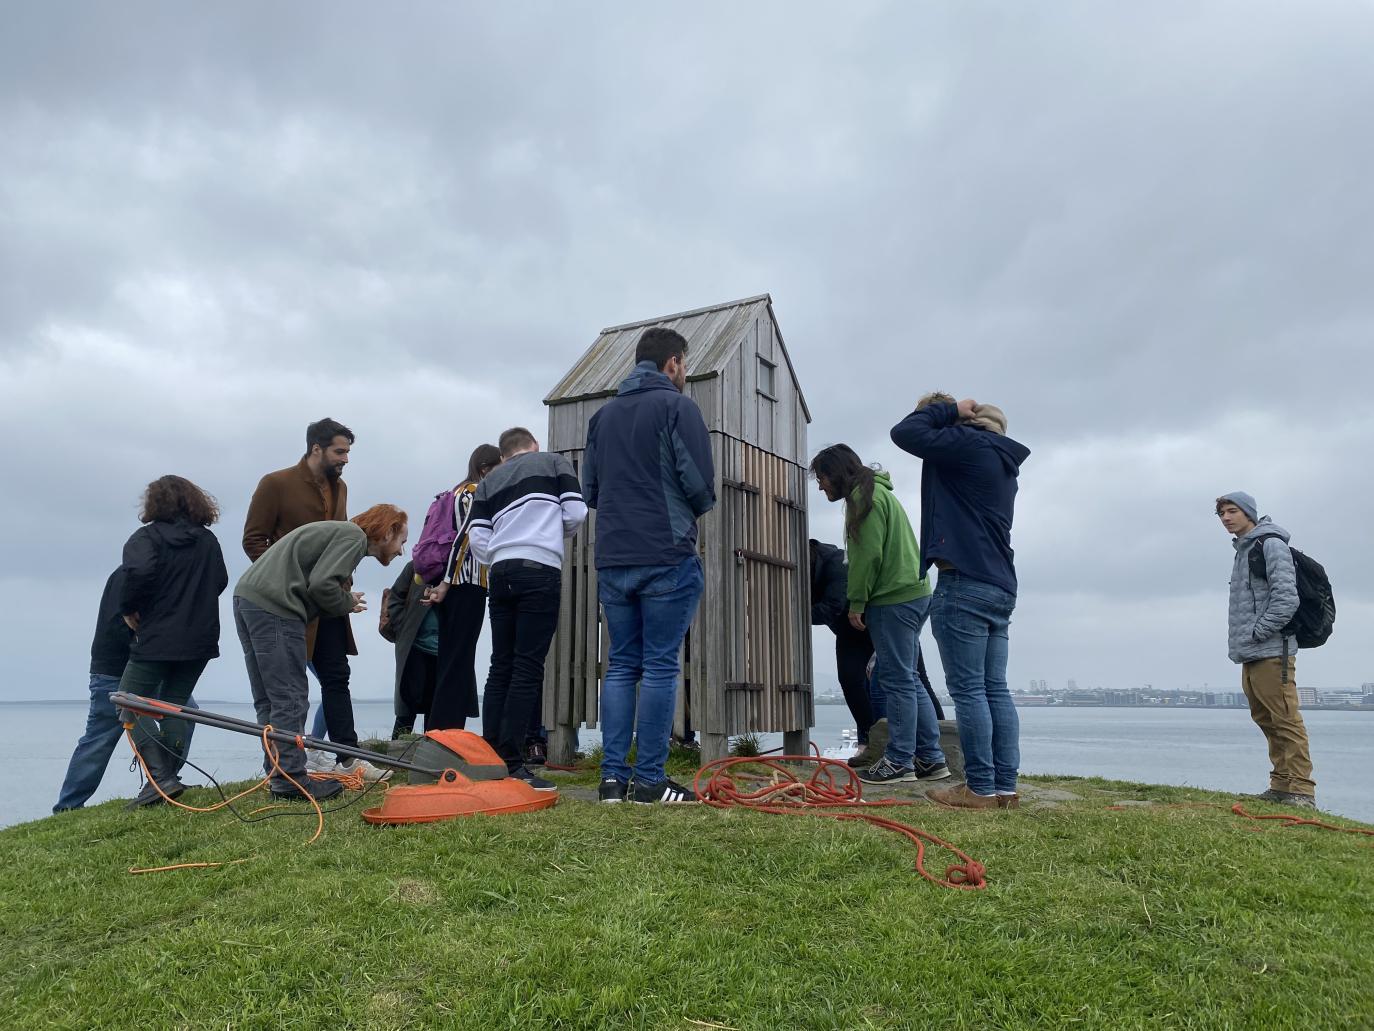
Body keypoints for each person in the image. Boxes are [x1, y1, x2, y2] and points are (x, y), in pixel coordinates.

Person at [582, 327, 716, 805]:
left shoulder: (601, 418)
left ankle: (612, 781)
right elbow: (701, 486)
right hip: (666, 553)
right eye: (685, 365)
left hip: (613, 556)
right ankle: (651, 782)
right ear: (674, 363)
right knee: (660, 666)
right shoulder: (678, 408)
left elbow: (591, 491)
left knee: (620, 666)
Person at [890, 394, 1030, 810]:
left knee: (969, 691)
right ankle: (1004, 788)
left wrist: (951, 409)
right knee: (995, 689)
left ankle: (979, 788)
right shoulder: (1002, 463)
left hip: (963, 582)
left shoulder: (968, 447)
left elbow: (906, 432)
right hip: (1000, 584)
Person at [233, 505, 408, 800]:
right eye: (402, 540)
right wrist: (345, 601)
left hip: (248, 599)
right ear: (387, 531)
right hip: (276, 607)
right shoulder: (353, 537)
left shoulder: (339, 533)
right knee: (290, 696)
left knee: (269, 697)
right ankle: (291, 779)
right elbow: (322, 585)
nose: (402, 551)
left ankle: (279, 773)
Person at [242, 417, 381, 779]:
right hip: (284, 604)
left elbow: (339, 542)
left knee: (337, 676)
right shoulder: (275, 484)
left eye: (348, 452)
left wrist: (341, 588)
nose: (346, 459)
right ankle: (283, 765)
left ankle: (347, 757)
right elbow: (253, 541)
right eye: (340, 451)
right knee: (283, 689)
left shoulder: (342, 488)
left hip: (329, 600)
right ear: (315, 448)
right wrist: (286, 583)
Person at [809, 445, 947, 786]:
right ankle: (930, 757)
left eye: (822, 478)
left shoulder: (862, 499)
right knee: (909, 678)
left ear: (836, 473)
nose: (820, 486)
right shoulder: (878, 492)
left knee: (897, 681)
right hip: (914, 594)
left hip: (892, 598)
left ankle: (900, 761)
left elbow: (867, 556)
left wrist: (856, 602)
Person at [467, 427, 586, 791]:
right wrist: (548, 536)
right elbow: (577, 513)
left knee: (500, 664)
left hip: (500, 571)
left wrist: (504, 551)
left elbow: (477, 538)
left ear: (503, 456)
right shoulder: (553, 462)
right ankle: (513, 763)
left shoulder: (489, 481)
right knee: (527, 667)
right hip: (539, 568)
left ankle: (491, 756)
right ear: (533, 444)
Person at [114, 476, 228, 808]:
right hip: (201, 637)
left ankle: (160, 779)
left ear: (154, 503)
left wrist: (128, 608)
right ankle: (167, 780)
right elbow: (219, 581)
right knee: (175, 705)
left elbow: (138, 574)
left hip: (159, 635)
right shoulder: (208, 541)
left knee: (129, 702)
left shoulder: (146, 538)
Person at [53, 568, 200, 812]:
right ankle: (68, 806)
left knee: (187, 712)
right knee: (100, 739)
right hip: (116, 669)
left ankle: (165, 781)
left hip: (150, 664)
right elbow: (121, 626)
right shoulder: (134, 576)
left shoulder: (157, 574)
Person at [1216, 492, 1316, 808]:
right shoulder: (1244, 550)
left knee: (1285, 718)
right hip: (1252, 651)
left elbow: (1286, 598)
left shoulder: (1269, 544)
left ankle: (1302, 791)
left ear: (1249, 513)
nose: (1226, 518)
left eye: (1232, 511)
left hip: (1272, 649)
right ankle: (1281, 785)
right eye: (1221, 513)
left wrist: (1258, 632)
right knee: (1265, 717)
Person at [415, 444, 502, 731]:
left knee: (451, 657)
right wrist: (448, 582)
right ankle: (449, 731)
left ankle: (439, 728)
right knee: (459, 659)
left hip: (452, 584)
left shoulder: (454, 492)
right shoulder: (475, 492)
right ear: (486, 468)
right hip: (467, 581)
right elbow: (464, 539)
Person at [809, 538, 880, 763]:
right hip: (848, 629)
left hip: (877, 620)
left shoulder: (837, 563)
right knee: (850, 681)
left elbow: (832, 607)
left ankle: (937, 744)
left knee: (913, 679)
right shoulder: (810, 569)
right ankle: (868, 741)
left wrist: (791, 612)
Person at [383, 560, 438, 738]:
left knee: (436, 705)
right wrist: (402, 626)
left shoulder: (457, 569)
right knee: (407, 701)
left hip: (444, 650)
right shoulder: (416, 565)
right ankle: (395, 753)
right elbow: (395, 596)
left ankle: (431, 751)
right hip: (415, 646)